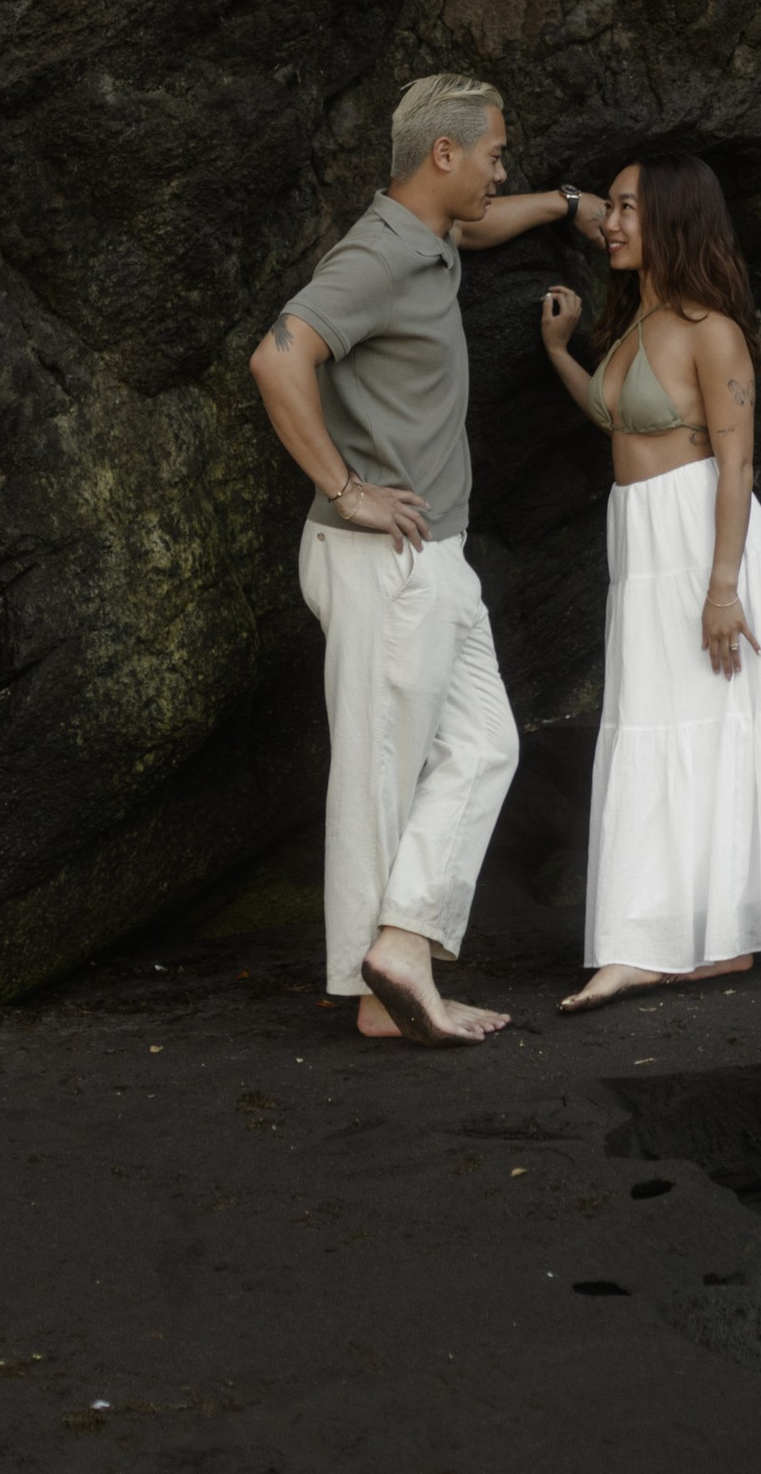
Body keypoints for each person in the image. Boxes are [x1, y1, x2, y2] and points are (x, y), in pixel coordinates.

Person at [249, 76, 605, 1046]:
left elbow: (479, 227)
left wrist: (569, 208)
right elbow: (278, 357)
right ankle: (374, 989)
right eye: (493, 152)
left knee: (486, 744)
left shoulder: (428, 237)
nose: (503, 168)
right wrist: (345, 488)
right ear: (441, 156)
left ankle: (399, 947)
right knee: (382, 773)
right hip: (382, 555)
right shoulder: (377, 255)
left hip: (432, 555)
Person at [538, 151, 761, 1011]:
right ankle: (670, 939)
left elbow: (738, 464)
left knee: (707, 733)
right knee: (652, 728)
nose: (611, 222)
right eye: (612, 208)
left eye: (629, 208)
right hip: (643, 552)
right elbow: (615, 417)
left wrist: (722, 590)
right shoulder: (639, 324)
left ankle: (694, 941)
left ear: (674, 219)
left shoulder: (714, 330)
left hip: (706, 550)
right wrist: (561, 352)